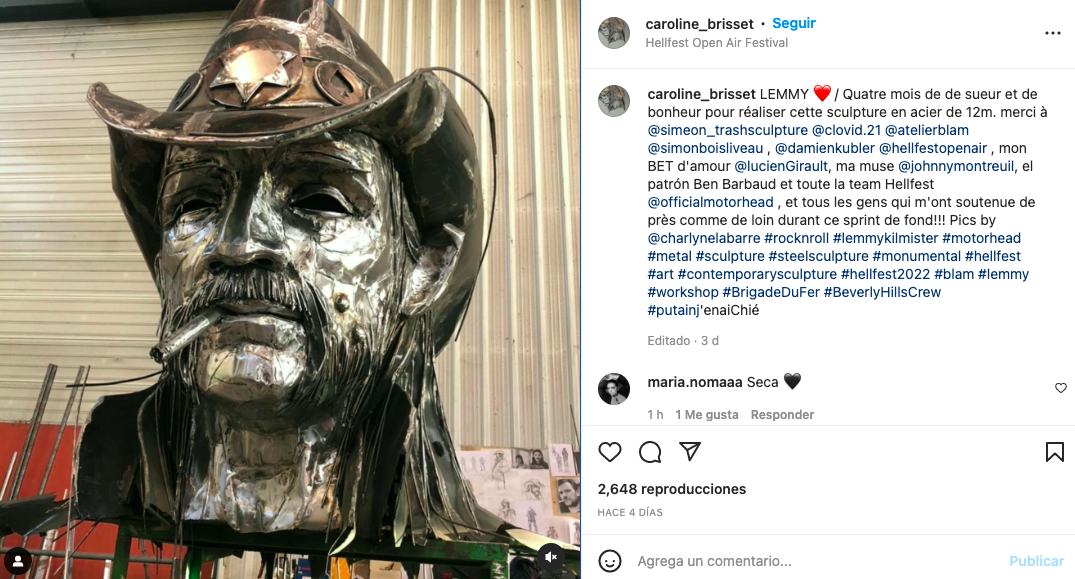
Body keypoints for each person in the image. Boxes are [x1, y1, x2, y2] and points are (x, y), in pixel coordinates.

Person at [70, 0, 504, 542]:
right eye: (196, 204)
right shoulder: (122, 464)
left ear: (424, 269)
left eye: (319, 199)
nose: (238, 244)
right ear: (164, 269)